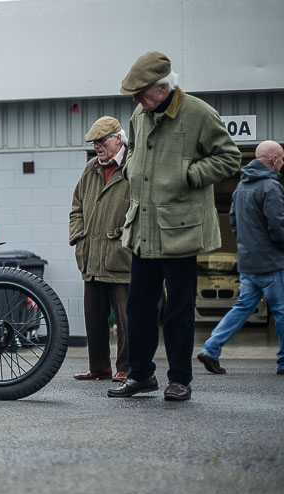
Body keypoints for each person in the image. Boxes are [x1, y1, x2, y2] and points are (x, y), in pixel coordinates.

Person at [107, 51, 241, 402]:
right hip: (144, 228)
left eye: (140, 93)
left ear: (162, 87)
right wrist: (131, 168)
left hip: (179, 230)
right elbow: (133, 151)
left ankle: (180, 379)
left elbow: (228, 157)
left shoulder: (199, 113)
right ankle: (140, 375)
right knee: (138, 308)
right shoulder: (140, 114)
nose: (135, 101)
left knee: (178, 310)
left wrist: (189, 175)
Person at [197, 141, 284, 376]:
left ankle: (211, 348)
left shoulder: (240, 188)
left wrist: (248, 246)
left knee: (242, 307)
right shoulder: (271, 187)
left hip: (247, 262)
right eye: (282, 159)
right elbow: (278, 226)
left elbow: (234, 223)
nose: (282, 163)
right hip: (271, 263)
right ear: (274, 159)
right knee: (281, 311)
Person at [69, 116, 132, 383]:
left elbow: (143, 206)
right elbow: (76, 206)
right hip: (92, 256)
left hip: (121, 257)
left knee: (127, 319)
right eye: (94, 142)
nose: (97, 146)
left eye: (101, 141)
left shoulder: (132, 165)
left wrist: (126, 234)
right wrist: (78, 237)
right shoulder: (91, 168)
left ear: (118, 139)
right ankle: (99, 367)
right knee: (94, 318)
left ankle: (127, 368)